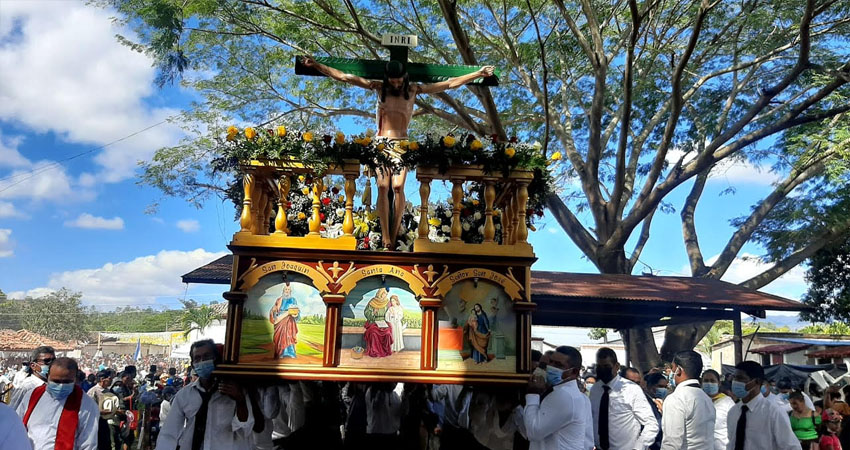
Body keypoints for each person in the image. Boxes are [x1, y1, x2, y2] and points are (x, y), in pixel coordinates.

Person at [302, 56, 495, 248]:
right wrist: (317, 65)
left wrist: (478, 73)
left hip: (402, 144)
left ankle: (393, 235)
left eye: (399, 79)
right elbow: (344, 76)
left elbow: (449, 83)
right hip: (381, 144)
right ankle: (386, 236)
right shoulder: (378, 88)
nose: (396, 82)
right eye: (392, 79)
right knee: (383, 186)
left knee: (397, 187)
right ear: (387, 79)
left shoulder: (413, 90)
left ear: (405, 78)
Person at [157, 339, 254, 450]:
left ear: (216, 359)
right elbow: (169, 433)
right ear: (193, 364)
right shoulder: (184, 395)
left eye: (207, 357)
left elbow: (246, 428)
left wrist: (240, 400)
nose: (202, 361)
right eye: (197, 358)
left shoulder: (234, 392)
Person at [515, 345, 593, 450]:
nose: (551, 367)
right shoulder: (573, 396)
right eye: (550, 362)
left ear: (574, 372)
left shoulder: (564, 395)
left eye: (558, 365)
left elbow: (533, 432)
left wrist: (533, 394)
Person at [15, 357, 99, 450]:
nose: (61, 386)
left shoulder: (86, 404)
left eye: (67, 382)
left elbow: (88, 444)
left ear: (75, 379)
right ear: (48, 376)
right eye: (56, 381)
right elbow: (17, 427)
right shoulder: (32, 396)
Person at [590, 347, 658, 450]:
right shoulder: (595, 389)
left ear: (616, 366)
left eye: (606, 366)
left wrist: (639, 447)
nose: (602, 370)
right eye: (599, 366)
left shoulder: (631, 389)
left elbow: (651, 424)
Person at [725, 361, 801, 450]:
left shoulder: (773, 413)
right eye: (734, 378)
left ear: (757, 382)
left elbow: (791, 447)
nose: (735, 382)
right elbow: (731, 443)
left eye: (740, 378)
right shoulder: (733, 412)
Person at [660, 351, 715, 449]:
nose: (670, 373)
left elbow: (671, 443)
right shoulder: (707, 399)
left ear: (679, 370)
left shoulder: (676, 399)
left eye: (672, 368)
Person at [9, 346, 55, 410]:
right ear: (33, 366)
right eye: (47, 361)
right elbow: (13, 410)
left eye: (54, 360)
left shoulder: (54, 385)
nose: (51, 364)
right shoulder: (27, 387)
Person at [701, 369, 735, 450]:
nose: (709, 383)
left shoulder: (728, 403)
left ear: (719, 383)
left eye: (712, 381)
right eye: (706, 381)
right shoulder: (697, 401)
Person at [270, 284, 300, 359]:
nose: (287, 291)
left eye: (288, 289)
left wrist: (295, 313)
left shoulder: (293, 300)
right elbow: (275, 310)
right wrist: (273, 310)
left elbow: (296, 310)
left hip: (289, 320)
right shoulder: (279, 299)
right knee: (280, 336)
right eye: (285, 289)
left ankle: (290, 353)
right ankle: (281, 353)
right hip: (280, 320)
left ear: (290, 291)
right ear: (283, 291)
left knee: (289, 336)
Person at [363, 288, 394, 358]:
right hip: (373, 321)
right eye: (384, 294)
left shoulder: (387, 302)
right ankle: (374, 351)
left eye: (386, 294)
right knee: (373, 333)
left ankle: (385, 351)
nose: (386, 295)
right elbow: (366, 312)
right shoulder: (373, 302)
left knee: (388, 333)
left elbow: (391, 311)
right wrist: (373, 312)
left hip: (384, 321)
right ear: (380, 294)